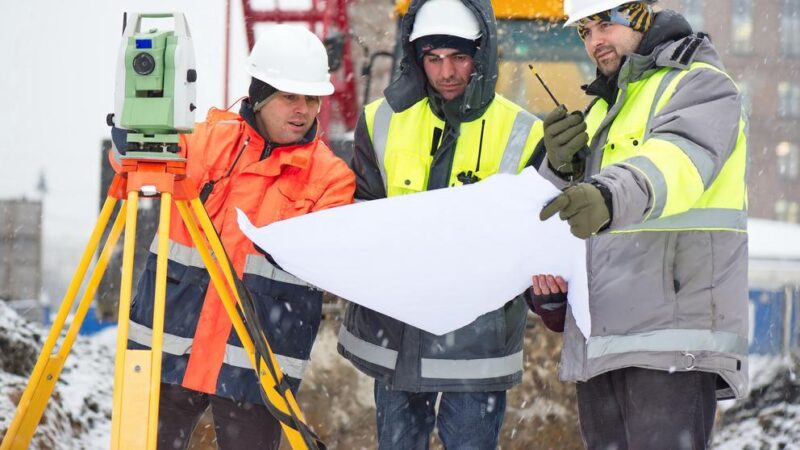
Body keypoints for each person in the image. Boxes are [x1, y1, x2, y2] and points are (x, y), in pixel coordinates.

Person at [110, 24, 355, 450]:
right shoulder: (204, 139)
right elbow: (134, 163)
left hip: (256, 364)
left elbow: (334, 264)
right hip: (169, 347)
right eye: (289, 96)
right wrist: (127, 142)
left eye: (311, 98)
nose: (302, 109)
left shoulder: (331, 179)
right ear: (260, 94)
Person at [531, 1, 749, 448]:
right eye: (584, 32)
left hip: (672, 338)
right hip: (602, 342)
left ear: (641, 15)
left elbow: (676, 161)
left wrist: (607, 194)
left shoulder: (701, 85)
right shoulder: (598, 112)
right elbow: (554, 214)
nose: (594, 42)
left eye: (604, 24)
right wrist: (552, 168)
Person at [336, 0, 544, 448]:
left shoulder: (526, 132)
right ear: (416, 58)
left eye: (459, 57)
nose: (446, 72)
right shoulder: (380, 119)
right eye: (433, 58)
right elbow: (363, 213)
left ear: (482, 55)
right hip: (397, 336)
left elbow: (534, 238)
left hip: (478, 345)